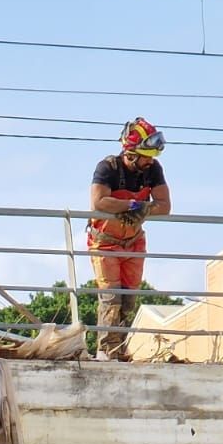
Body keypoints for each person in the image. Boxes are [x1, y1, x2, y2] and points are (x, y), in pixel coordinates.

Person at [87, 118, 171, 361]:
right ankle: (106, 352)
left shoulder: (153, 170)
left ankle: (120, 347)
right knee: (111, 298)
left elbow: (165, 206)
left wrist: (139, 209)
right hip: (105, 241)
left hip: (133, 240)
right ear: (131, 154)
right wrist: (132, 205)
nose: (150, 160)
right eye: (146, 156)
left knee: (128, 300)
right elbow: (100, 202)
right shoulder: (107, 168)